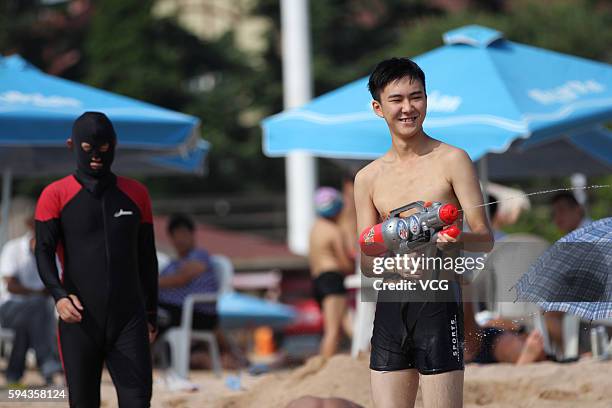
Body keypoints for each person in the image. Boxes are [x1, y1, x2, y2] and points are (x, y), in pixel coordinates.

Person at [354, 58, 493, 408]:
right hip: (390, 307)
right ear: (378, 107)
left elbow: (485, 237)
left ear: (426, 100)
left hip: (438, 303)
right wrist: (394, 265)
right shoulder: (368, 178)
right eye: (397, 99)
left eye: (416, 97)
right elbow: (367, 260)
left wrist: (456, 240)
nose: (408, 108)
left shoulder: (453, 160)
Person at [35, 112, 158, 407]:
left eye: (103, 149)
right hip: (79, 319)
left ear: (115, 145)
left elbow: (147, 258)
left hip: (128, 319)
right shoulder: (55, 194)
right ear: (71, 145)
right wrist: (59, 297)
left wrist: (151, 314)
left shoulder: (136, 193)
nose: (95, 157)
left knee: (138, 402)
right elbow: (43, 251)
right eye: (87, 148)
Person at [0, 206, 62, 386]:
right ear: (30, 226)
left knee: (29, 320)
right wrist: (38, 292)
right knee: (38, 307)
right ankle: (50, 368)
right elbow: (10, 286)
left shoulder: (53, 252)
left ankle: (14, 374)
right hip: (9, 308)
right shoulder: (13, 248)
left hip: (34, 313)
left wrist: (39, 293)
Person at [157, 213, 219, 340]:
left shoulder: (200, 256)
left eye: (183, 234)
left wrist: (148, 283)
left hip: (196, 314)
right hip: (174, 310)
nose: (180, 239)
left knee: (149, 321)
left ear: (192, 235)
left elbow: (181, 279)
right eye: (176, 235)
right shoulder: (172, 264)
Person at [309, 187, 355, 358]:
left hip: (318, 280)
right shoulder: (335, 231)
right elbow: (344, 262)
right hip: (332, 278)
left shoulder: (315, 229)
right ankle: (323, 367)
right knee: (333, 331)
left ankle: (364, 353)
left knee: (347, 322)